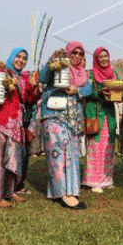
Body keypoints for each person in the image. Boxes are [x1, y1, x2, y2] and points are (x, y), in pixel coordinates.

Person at [0, 48, 40, 207]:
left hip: (16, 125)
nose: (21, 60)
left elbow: (30, 98)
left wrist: (36, 87)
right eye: (18, 56)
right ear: (12, 57)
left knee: (13, 159)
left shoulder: (24, 78)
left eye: (24, 58)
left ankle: (10, 191)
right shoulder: (2, 72)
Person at [37, 42, 92, 209]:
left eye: (80, 53)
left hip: (73, 117)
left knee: (72, 154)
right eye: (73, 53)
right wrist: (51, 62)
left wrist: (77, 90)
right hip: (54, 114)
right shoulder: (57, 66)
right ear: (67, 53)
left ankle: (70, 190)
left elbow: (89, 89)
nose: (76, 56)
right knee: (57, 153)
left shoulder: (82, 74)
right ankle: (62, 193)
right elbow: (42, 78)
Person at [83, 47, 119, 193]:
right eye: (101, 57)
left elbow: (118, 92)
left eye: (106, 56)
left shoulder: (113, 74)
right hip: (96, 113)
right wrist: (98, 92)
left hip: (109, 114)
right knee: (95, 148)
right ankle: (93, 181)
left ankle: (107, 179)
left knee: (108, 148)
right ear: (96, 59)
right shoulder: (90, 75)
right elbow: (85, 93)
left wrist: (118, 95)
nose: (104, 59)